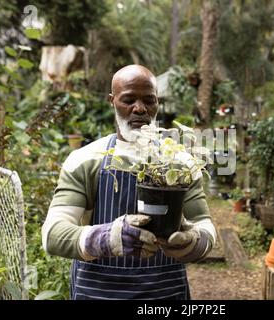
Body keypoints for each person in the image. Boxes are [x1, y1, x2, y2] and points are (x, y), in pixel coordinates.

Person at [41, 64, 216, 300]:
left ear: (157, 103)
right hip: (98, 292)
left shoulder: (180, 163)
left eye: (149, 100)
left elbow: (203, 224)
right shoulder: (85, 160)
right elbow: (52, 234)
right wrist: (106, 238)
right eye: (129, 99)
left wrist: (193, 242)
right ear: (112, 101)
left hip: (164, 293)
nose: (140, 109)